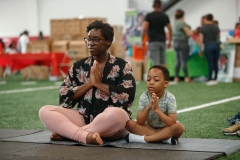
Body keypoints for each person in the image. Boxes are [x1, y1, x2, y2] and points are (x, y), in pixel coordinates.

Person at [39, 20, 136, 145]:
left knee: (119, 114)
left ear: (108, 42)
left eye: (96, 39)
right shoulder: (79, 66)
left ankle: (73, 135)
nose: (90, 43)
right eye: (88, 39)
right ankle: (86, 136)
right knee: (45, 111)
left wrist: (99, 84)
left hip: (111, 124)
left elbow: (126, 95)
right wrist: (89, 84)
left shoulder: (122, 66)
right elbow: (64, 94)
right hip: (84, 118)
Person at [125, 65, 184, 145]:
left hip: (166, 129)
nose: (151, 82)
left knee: (178, 127)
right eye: (148, 79)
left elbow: (172, 123)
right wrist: (148, 108)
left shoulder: (170, 98)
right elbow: (140, 122)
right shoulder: (144, 97)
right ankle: (164, 139)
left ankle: (145, 139)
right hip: (149, 128)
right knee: (129, 124)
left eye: (156, 80)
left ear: (165, 83)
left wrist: (157, 109)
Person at [142, 0, 172, 66]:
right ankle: (165, 76)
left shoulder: (149, 16)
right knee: (163, 62)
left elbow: (144, 28)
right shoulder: (165, 16)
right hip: (162, 41)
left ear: (153, 6)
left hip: (153, 42)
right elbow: (170, 29)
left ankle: (157, 76)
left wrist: (142, 40)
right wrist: (170, 41)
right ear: (161, 6)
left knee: (155, 63)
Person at [199, 14, 220, 85]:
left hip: (208, 45)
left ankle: (210, 78)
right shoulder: (216, 26)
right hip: (216, 45)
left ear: (206, 19)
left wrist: (200, 49)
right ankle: (216, 77)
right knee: (215, 62)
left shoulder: (203, 28)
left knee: (210, 62)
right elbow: (219, 36)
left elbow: (201, 39)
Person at [172, 9, 192, 83]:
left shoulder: (174, 22)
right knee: (183, 61)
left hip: (175, 42)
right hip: (183, 42)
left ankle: (176, 77)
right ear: (183, 15)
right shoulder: (182, 23)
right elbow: (189, 33)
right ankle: (186, 77)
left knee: (178, 60)